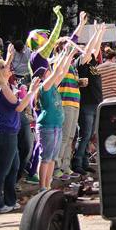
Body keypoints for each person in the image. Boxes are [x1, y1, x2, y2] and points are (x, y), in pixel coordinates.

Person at [0, 59, 38, 214]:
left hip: (6, 133)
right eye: (4, 66)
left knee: (13, 167)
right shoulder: (2, 88)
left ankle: (10, 200)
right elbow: (20, 107)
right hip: (6, 133)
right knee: (2, 170)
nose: (8, 68)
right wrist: (31, 91)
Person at [33, 47, 76, 194]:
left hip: (57, 126)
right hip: (47, 126)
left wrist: (69, 56)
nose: (50, 72)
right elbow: (58, 71)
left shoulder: (53, 87)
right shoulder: (45, 87)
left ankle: (48, 185)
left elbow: (62, 72)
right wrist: (64, 54)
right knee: (45, 157)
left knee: (52, 158)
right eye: (47, 71)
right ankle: (42, 187)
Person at [53, 12, 88, 181]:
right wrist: (80, 25)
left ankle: (66, 167)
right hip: (65, 102)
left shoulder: (72, 67)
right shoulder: (59, 61)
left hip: (75, 103)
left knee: (70, 136)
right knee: (65, 135)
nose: (75, 48)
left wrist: (79, 82)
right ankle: (57, 167)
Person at [71, 22, 107, 177]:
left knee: (89, 134)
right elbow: (88, 49)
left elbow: (95, 49)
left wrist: (100, 33)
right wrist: (94, 33)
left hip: (95, 104)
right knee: (84, 135)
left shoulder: (92, 63)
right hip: (86, 104)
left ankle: (85, 163)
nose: (92, 53)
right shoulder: (80, 64)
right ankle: (77, 162)